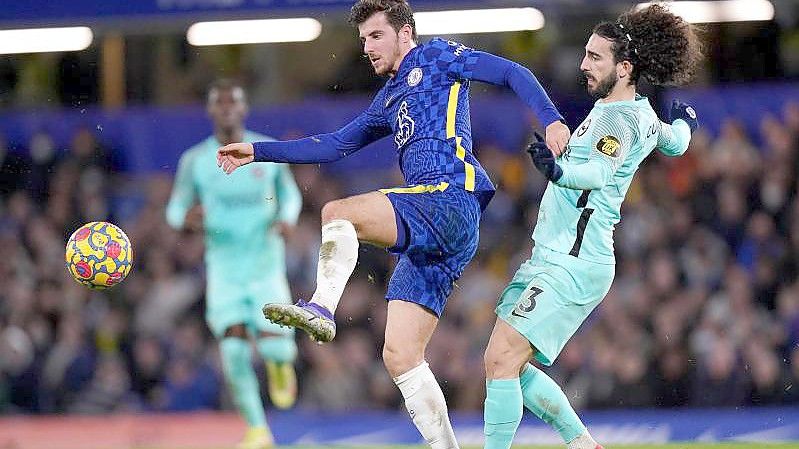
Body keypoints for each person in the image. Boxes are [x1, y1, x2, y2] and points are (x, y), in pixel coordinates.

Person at [217, 1, 569, 447]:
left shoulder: (437, 57)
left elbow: (511, 72)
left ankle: (322, 307)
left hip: (449, 198)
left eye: (375, 35)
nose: (366, 47)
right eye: (362, 39)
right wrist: (259, 152)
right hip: (440, 228)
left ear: (405, 34)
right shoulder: (388, 99)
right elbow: (336, 144)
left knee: (336, 213)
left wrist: (553, 119)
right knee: (401, 355)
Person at [481, 4, 703, 449]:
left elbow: (598, 174)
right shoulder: (637, 113)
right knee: (509, 365)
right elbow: (675, 143)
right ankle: (583, 445)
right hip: (561, 256)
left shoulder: (617, 119)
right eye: (585, 54)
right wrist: (685, 122)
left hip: (573, 261)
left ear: (624, 68)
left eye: (595, 57)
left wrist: (558, 172)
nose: (583, 64)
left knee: (501, 358)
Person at [166, 79, 302, 449]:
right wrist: (186, 220)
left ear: (244, 108)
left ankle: (279, 362)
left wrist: (287, 218)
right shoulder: (194, 161)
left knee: (274, 345)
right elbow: (175, 208)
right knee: (233, 347)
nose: (226, 107)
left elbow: (289, 195)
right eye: (219, 102)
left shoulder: (264, 151)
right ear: (210, 110)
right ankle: (257, 429)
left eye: (233, 101)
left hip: (264, 264)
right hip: (224, 267)